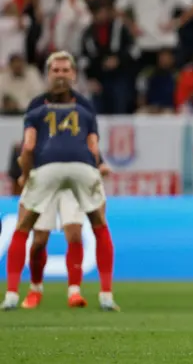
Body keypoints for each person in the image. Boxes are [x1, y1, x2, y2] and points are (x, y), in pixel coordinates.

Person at [2, 51, 118, 311]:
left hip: (67, 170)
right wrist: (26, 170)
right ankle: (35, 288)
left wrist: (99, 164)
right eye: (56, 70)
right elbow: (29, 144)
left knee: (74, 232)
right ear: (48, 74)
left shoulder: (84, 105)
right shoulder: (35, 104)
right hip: (46, 169)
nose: (61, 75)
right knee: (39, 238)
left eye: (66, 70)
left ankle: (74, 291)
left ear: (73, 74)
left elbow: (90, 143)